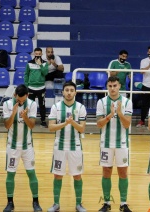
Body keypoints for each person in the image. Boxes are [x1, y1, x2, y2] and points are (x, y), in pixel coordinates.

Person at [47, 81, 87, 212]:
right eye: (67, 90)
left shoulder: (81, 107)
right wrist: (65, 123)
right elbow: (51, 127)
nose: (69, 93)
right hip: (59, 146)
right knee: (57, 175)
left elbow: (81, 129)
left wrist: (72, 122)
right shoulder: (56, 107)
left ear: (75, 92)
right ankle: (56, 204)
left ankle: (78, 204)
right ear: (63, 92)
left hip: (75, 147)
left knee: (77, 176)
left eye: (71, 90)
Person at [2, 84, 43, 212]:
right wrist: (14, 113)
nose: (20, 102)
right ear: (14, 95)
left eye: (23, 100)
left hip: (27, 146)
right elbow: (7, 126)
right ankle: (10, 203)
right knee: (10, 174)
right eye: (18, 100)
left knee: (31, 173)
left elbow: (31, 126)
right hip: (12, 146)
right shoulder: (7, 104)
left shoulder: (32, 104)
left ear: (27, 95)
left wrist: (24, 117)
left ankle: (36, 202)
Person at [96, 76, 133, 212]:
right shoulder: (101, 102)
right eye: (110, 86)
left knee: (123, 172)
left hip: (122, 143)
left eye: (115, 86)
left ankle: (123, 203)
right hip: (106, 143)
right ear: (107, 87)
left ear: (119, 86)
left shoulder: (127, 102)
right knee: (106, 172)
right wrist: (110, 115)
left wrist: (119, 113)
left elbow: (127, 124)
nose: (112, 88)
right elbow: (99, 125)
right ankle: (106, 203)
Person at [24, 47, 49, 128]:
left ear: (42, 54)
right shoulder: (29, 63)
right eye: (36, 54)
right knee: (30, 105)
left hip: (41, 87)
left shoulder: (45, 63)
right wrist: (26, 86)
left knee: (42, 105)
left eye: (39, 54)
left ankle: (43, 121)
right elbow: (26, 74)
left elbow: (45, 73)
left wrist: (40, 65)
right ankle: (29, 120)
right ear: (34, 54)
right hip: (31, 88)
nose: (37, 56)